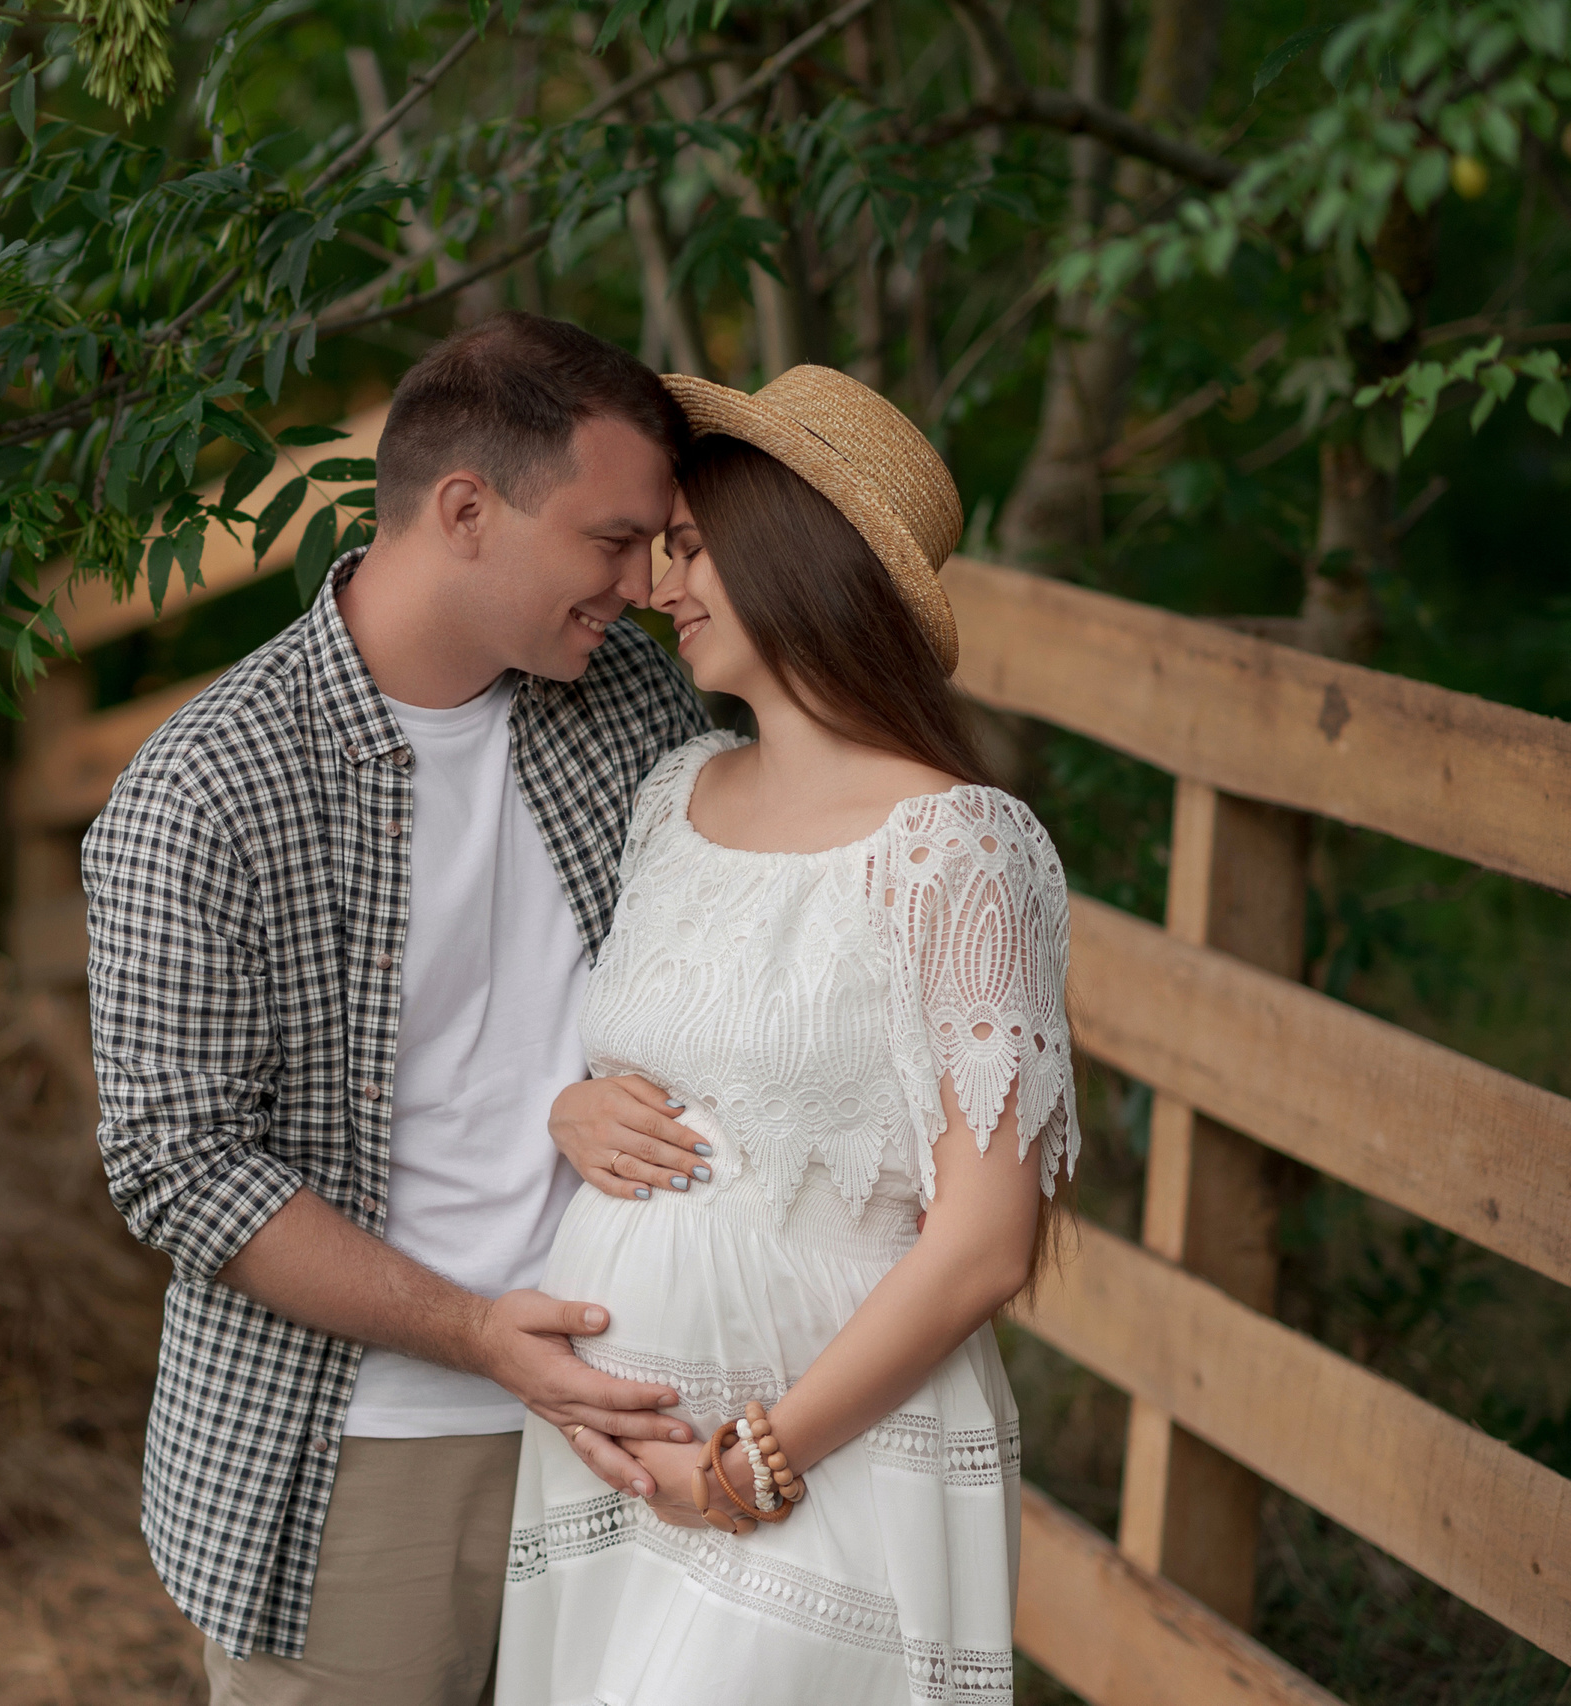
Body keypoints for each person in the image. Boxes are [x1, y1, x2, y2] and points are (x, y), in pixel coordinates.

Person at [81, 312, 715, 1705]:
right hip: (361, 1453)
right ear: (467, 511)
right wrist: (480, 1336)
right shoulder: (205, 793)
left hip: (639, 1407)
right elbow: (179, 1164)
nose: (645, 587)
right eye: (615, 541)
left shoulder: (632, 705)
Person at [497, 367, 1080, 1706]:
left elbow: (984, 1242)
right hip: (619, 1463)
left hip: (813, 1460)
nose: (661, 587)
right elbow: (668, 1062)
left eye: (693, 548)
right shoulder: (674, 794)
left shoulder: (958, 852)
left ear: (792, 556)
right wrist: (572, 1107)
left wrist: (755, 1459)